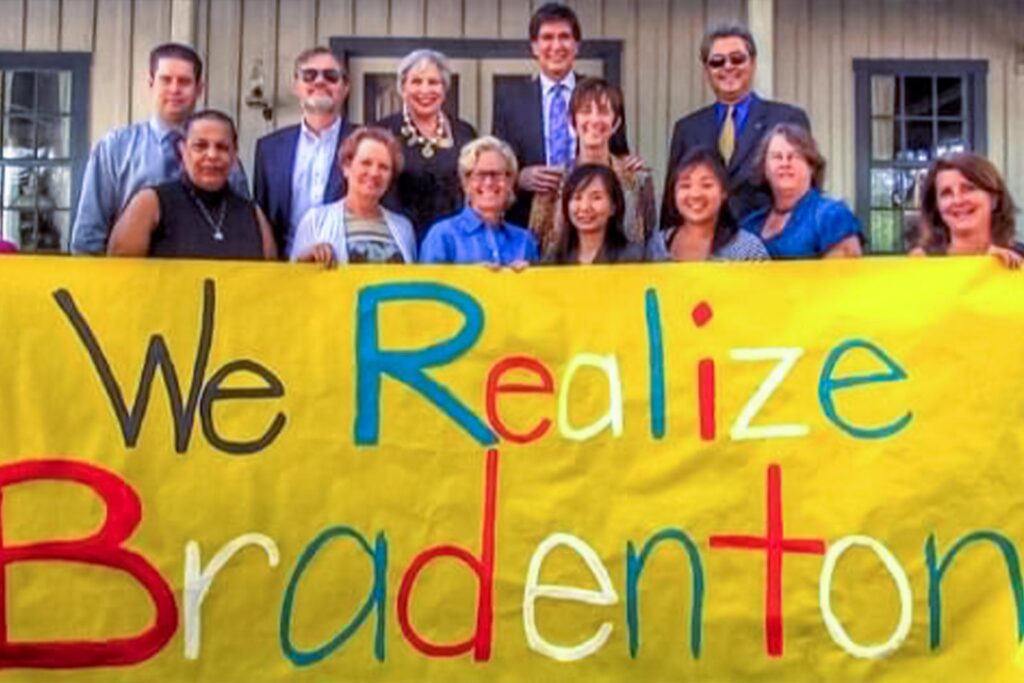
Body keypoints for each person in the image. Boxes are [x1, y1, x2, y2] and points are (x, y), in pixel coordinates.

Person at [72, 43, 249, 254]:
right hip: (135, 277)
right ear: (150, 83)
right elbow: (88, 235)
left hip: (205, 278)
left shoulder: (222, 157)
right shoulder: (115, 148)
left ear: (199, 89)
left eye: (184, 82)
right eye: (166, 80)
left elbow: (244, 225)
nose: (174, 89)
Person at [493, 2, 631, 227]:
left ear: (576, 45)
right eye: (547, 38)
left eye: (564, 37)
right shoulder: (510, 100)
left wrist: (629, 163)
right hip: (529, 222)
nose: (556, 46)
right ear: (534, 47)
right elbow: (498, 163)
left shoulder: (600, 96)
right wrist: (518, 178)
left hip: (593, 222)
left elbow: (619, 153)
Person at [661, 24, 810, 228]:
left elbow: (807, 194)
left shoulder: (787, 119)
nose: (728, 67)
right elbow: (672, 204)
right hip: (703, 252)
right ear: (706, 70)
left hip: (771, 248)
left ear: (753, 62)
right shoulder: (687, 128)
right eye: (717, 62)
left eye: (737, 59)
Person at [107, 110, 275, 260]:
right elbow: (120, 277)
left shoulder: (254, 215)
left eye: (222, 147)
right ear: (182, 151)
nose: (212, 155)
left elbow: (270, 282)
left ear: (234, 155)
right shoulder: (150, 204)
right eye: (200, 146)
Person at [529, 78, 660, 258]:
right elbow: (534, 245)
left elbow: (650, 241)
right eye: (585, 111)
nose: (594, 119)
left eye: (604, 112)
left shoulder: (637, 180)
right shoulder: (551, 180)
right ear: (572, 121)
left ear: (616, 123)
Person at [253, 46, 354, 258]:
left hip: (348, 270)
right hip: (286, 272)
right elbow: (261, 217)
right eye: (309, 75)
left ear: (345, 88)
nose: (319, 81)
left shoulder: (365, 142)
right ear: (296, 86)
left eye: (331, 76)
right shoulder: (269, 148)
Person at [375, 49, 477, 242]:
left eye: (433, 82)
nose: (425, 90)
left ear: (444, 89)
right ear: (402, 87)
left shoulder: (464, 133)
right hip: (396, 238)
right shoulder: (383, 131)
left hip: (453, 240)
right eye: (416, 81)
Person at [290, 127, 416, 266]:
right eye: (366, 163)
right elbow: (293, 281)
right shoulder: (316, 222)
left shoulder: (404, 229)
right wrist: (307, 258)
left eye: (383, 167)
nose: (374, 173)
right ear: (346, 167)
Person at [740, 123, 862, 258]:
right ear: (764, 169)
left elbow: (845, 277)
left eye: (795, 156)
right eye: (777, 157)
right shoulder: (749, 225)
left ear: (812, 167)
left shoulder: (832, 217)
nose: (785, 163)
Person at [419, 136, 538, 266]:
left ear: (510, 181)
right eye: (480, 175)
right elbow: (429, 286)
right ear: (466, 182)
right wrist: (472, 279)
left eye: (496, 174)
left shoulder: (524, 241)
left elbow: (538, 286)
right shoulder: (443, 236)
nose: (488, 182)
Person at [912, 152, 1022, 268]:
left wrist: (996, 270)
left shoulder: (1020, 258)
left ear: (994, 199)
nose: (958, 200)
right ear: (936, 206)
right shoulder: (922, 261)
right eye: (946, 193)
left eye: (969, 189)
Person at [663, 148, 769, 261]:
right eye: (685, 185)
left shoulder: (748, 250)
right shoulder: (657, 246)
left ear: (724, 191)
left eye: (706, 185)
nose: (695, 194)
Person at [546, 164, 660, 264]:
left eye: (596, 198)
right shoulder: (554, 259)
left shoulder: (635, 258)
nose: (585, 207)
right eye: (577, 198)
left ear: (613, 206)